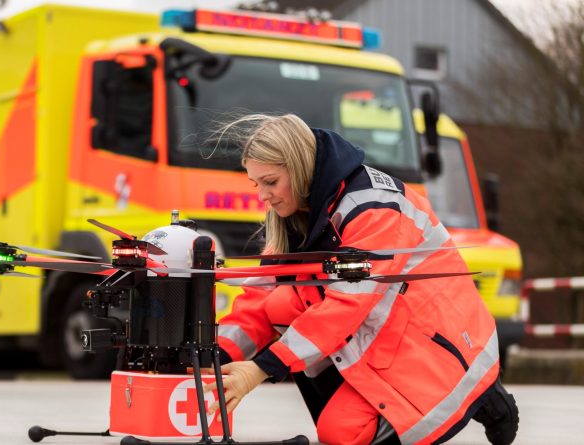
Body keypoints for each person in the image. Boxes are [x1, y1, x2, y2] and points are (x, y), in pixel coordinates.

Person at [204, 114, 519, 445]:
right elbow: (260, 296)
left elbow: (347, 307)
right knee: (282, 304)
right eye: (256, 184)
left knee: (343, 434)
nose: (262, 197)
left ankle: (483, 393)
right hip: (380, 332)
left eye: (270, 182)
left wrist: (261, 368)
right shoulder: (297, 214)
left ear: (298, 168)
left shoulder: (373, 208)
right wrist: (215, 357)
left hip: (432, 340)